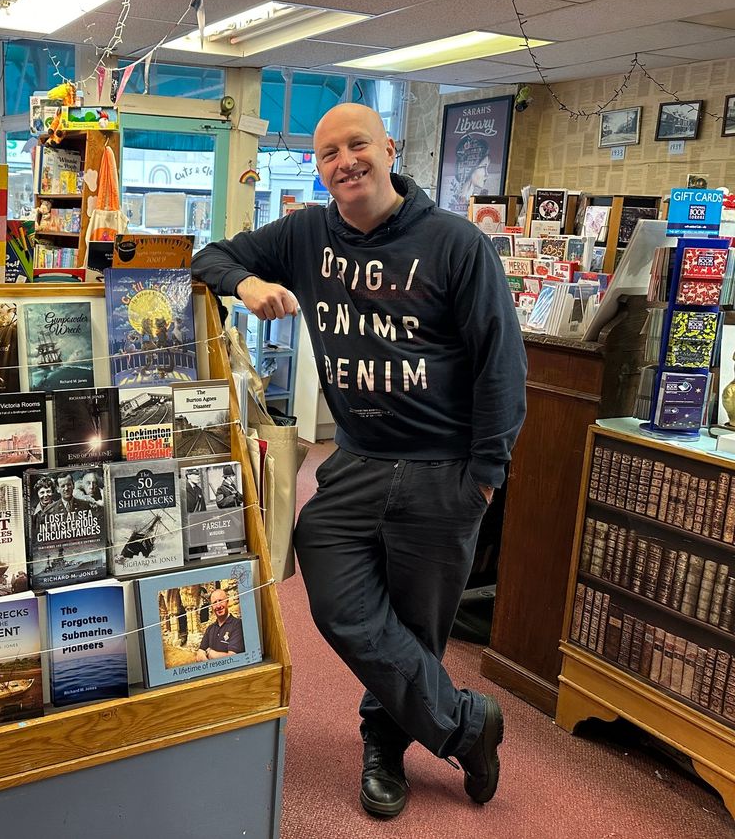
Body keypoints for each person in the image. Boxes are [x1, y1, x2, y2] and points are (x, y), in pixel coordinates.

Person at [192, 103, 525, 819]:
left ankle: (384, 747)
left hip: (444, 472)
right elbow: (208, 257)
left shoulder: (456, 244)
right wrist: (245, 284)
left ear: (389, 148)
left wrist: (487, 480)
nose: (345, 162)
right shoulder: (309, 233)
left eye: (358, 145)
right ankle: (469, 725)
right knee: (338, 599)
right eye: (328, 153)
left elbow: (502, 367)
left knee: (415, 630)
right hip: (356, 461)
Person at [194, 588, 244, 660]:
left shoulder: (238, 625)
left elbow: (233, 658)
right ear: (211, 606)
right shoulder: (210, 629)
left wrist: (211, 654)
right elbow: (200, 653)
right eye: (214, 603)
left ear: (227, 602)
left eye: (221, 601)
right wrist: (209, 663)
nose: (218, 606)